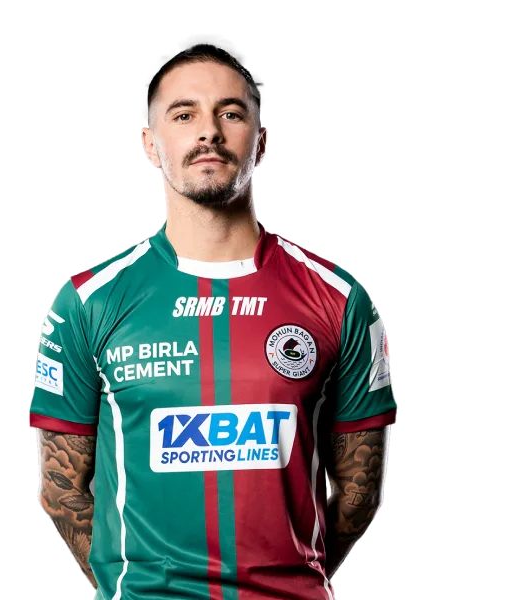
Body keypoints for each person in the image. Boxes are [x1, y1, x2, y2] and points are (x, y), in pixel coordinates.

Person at [29, 33, 397, 600]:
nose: (209, 132)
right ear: (150, 145)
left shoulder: (340, 299)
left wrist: (290, 579)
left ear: (261, 140)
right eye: (184, 115)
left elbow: (359, 487)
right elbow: (61, 491)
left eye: (230, 113)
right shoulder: (87, 302)